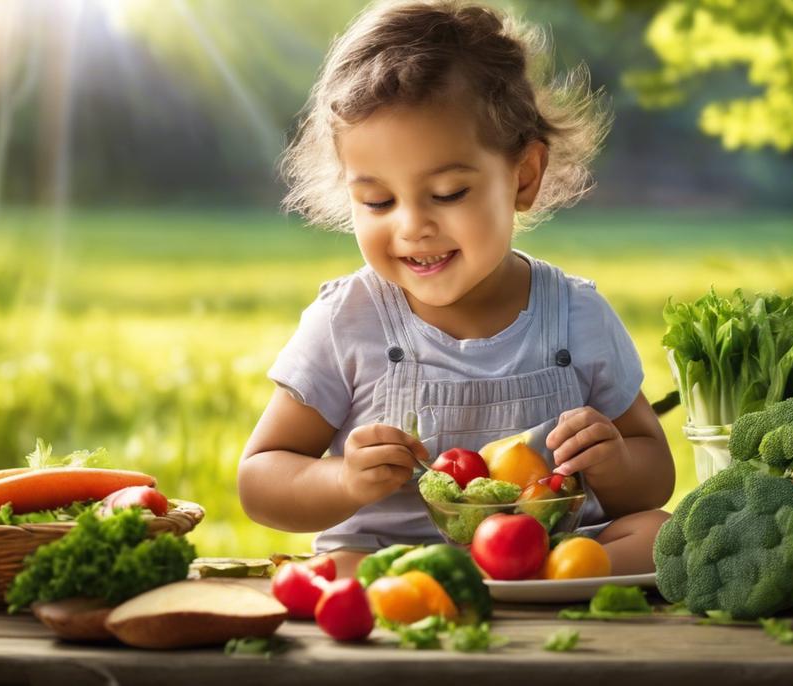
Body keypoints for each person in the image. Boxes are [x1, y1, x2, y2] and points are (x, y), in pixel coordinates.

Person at [238, 0, 674, 578]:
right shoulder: (348, 320)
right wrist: (341, 479)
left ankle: (545, 580)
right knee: (339, 568)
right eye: (377, 201)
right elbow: (261, 478)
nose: (411, 225)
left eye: (446, 194)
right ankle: (498, 589)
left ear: (523, 176)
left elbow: (654, 475)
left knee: (661, 534)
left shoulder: (575, 314)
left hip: (550, 550)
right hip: (392, 561)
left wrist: (614, 463)